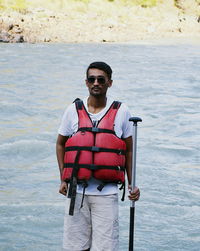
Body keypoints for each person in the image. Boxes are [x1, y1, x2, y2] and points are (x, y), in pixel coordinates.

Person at [56, 62, 140, 251]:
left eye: (101, 79)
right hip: (76, 191)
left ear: (109, 83)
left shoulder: (122, 111)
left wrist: (132, 183)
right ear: (86, 82)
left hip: (107, 193)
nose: (96, 83)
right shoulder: (72, 110)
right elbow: (60, 144)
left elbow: (128, 151)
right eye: (92, 79)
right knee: (74, 247)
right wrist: (63, 177)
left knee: (105, 248)